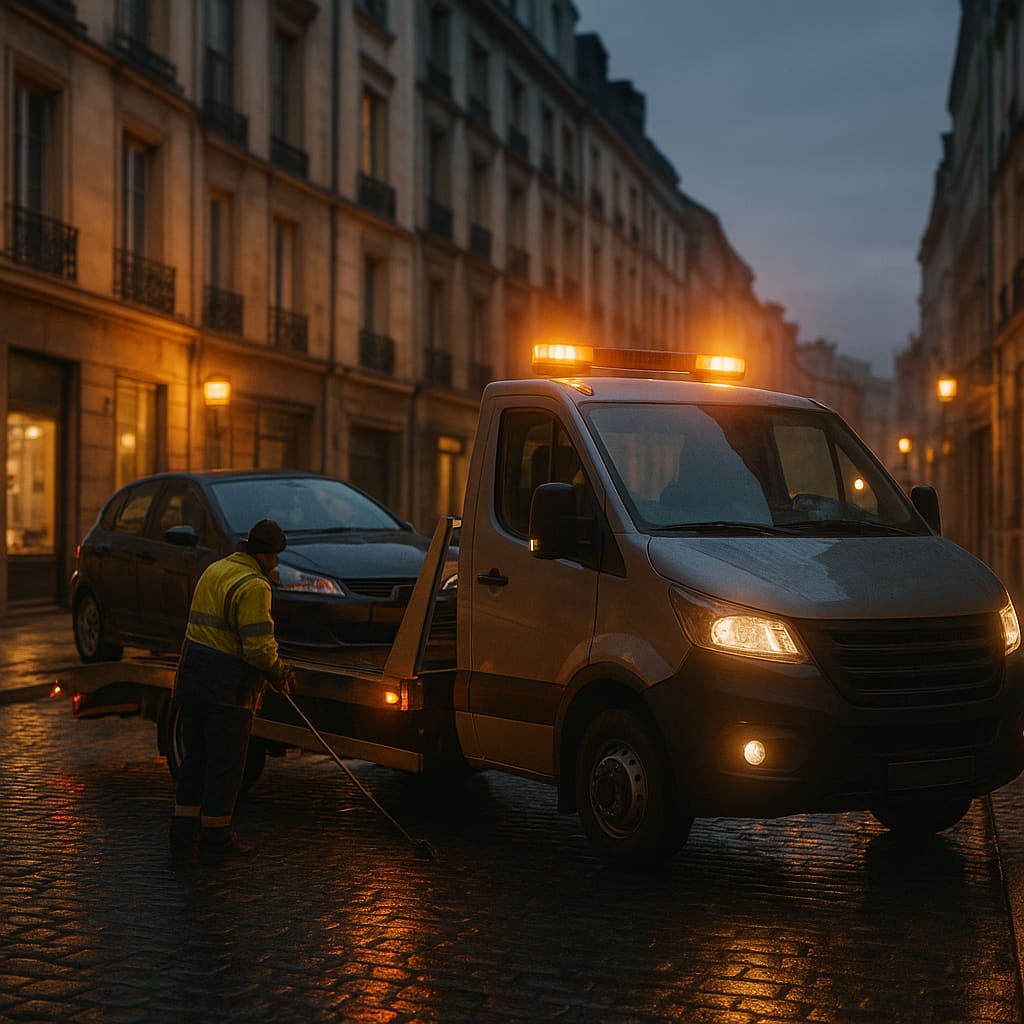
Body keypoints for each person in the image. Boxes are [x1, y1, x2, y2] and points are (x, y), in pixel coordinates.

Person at [169, 518, 295, 866]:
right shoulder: (254, 586)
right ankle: (216, 837)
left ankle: (182, 836)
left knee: (195, 760)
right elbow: (257, 650)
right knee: (225, 767)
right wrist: (279, 672)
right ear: (265, 555)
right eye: (275, 557)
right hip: (226, 689)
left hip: (192, 680)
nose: (276, 563)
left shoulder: (216, 569)